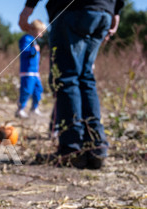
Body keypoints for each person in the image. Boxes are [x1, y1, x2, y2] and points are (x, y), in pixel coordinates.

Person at [19, 0, 124, 169]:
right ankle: (96, 147)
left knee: (67, 77)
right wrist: (116, 9)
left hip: (72, 10)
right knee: (86, 78)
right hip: (104, 11)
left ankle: (72, 149)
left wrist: (28, 7)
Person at [15, 19, 46, 119]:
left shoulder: (34, 40)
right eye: (40, 32)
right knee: (27, 90)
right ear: (33, 29)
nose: (41, 35)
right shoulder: (26, 39)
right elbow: (24, 52)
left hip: (35, 72)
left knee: (38, 90)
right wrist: (33, 50)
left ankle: (34, 108)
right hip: (27, 71)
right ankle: (20, 109)